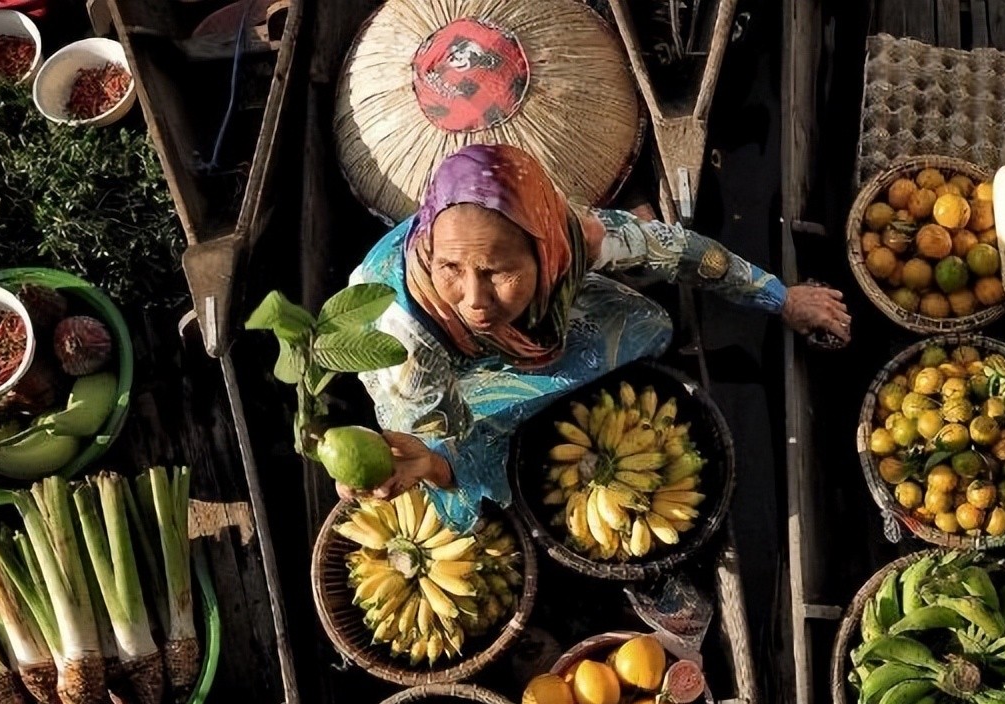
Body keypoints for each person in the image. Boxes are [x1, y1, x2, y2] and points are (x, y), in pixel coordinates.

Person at [343, 143, 849, 532]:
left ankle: (526, 355)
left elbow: (679, 251)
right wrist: (432, 463)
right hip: (428, 378)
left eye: (496, 271)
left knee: (649, 326)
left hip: (517, 330)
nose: (472, 298)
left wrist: (780, 298)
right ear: (431, 247)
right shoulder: (403, 346)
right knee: (476, 501)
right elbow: (446, 435)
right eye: (450, 267)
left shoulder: (570, 236)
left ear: (545, 252)